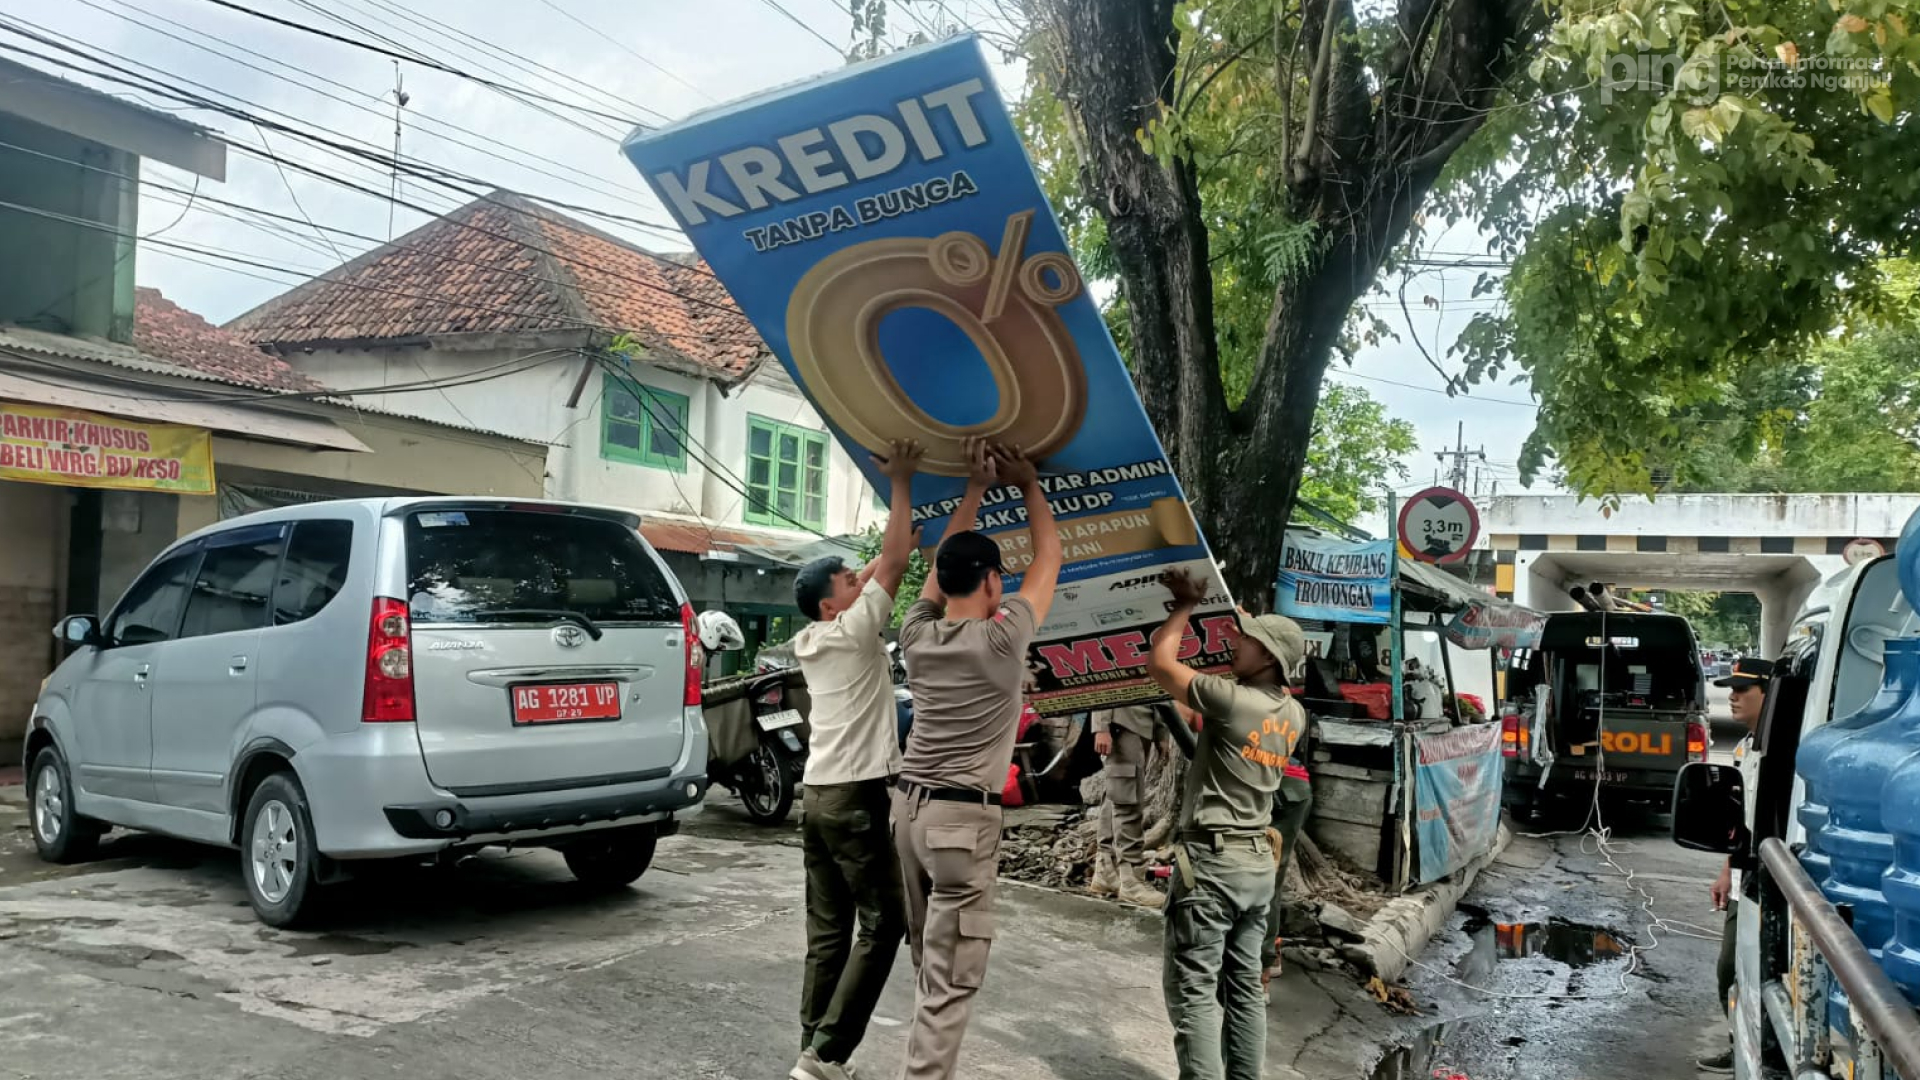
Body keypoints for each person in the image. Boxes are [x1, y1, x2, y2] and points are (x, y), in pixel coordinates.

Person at [892, 444, 1062, 1080]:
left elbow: (939, 574)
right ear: (993, 582)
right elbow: (1049, 558)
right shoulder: (1002, 639)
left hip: (907, 815)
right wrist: (1027, 486)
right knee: (950, 978)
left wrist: (974, 490)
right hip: (962, 825)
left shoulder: (917, 636)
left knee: (928, 962)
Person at [785, 437, 928, 1080]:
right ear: (831, 603)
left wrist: (876, 560)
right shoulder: (852, 628)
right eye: (847, 580)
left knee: (828, 929)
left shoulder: (819, 634)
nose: (859, 579)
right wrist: (900, 482)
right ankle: (827, 1055)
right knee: (885, 922)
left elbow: (877, 569)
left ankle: (811, 1045)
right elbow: (894, 563)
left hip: (818, 798)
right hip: (856, 795)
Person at [1144, 574, 1307, 1080]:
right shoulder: (1293, 712)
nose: (1237, 643)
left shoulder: (1233, 702)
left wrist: (1189, 605)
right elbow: (1234, 679)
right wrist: (1231, 618)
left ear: (1269, 657)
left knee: (1193, 992)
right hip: (1256, 867)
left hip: (1212, 868)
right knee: (1244, 990)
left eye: (1248, 641)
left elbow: (1159, 663)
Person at [1698, 656, 1773, 1075]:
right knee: (1731, 969)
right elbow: (1740, 820)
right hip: (1745, 878)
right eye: (1731, 689)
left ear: (1769, 693)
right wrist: (1727, 871)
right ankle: (1738, 1043)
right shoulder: (1746, 747)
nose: (1732, 696)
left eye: (1743, 690)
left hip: (1774, 883)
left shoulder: (1789, 748)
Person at [1090, 703, 1172, 907]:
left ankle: (1106, 869)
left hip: (1142, 720)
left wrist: (1161, 731)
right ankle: (1131, 881)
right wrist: (1102, 726)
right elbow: (1101, 681)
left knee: (1118, 793)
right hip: (1121, 721)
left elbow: (1153, 686)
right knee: (1128, 800)